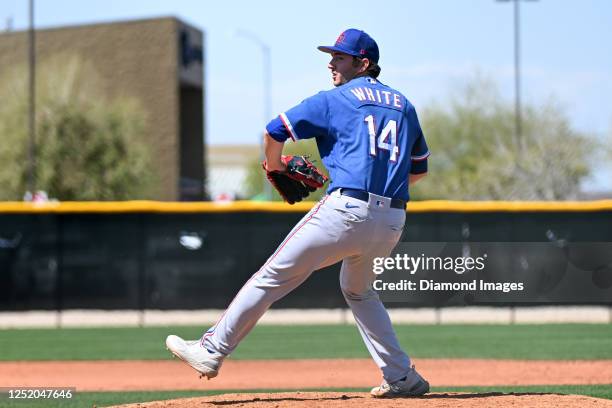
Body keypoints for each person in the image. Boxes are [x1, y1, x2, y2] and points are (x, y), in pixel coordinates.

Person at [166, 28, 430, 398]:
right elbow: (417, 171)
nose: (331, 62)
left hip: (346, 210)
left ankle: (211, 350)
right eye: (332, 56)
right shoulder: (404, 105)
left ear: (363, 63)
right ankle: (403, 376)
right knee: (359, 290)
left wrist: (274, 168)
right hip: (391, 220)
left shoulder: (335, 99)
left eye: (340, 57)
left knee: (271, 276)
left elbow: (275, 130)